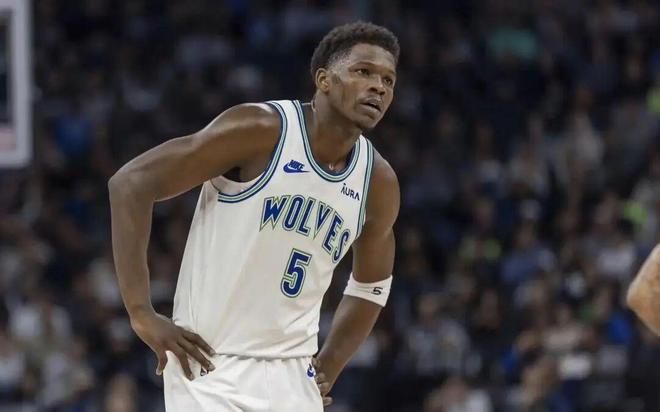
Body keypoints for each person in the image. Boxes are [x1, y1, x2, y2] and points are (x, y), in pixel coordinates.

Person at [108, 21, 400, 411]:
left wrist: (328, 366)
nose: (378, 87)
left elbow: (371, 287)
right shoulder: (262, 130)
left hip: (294, 375)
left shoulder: (377, 181)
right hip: (210, 365)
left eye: (388, 80)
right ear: (324, 80)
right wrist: (140, 311)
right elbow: (131, 184)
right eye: (363, 72)